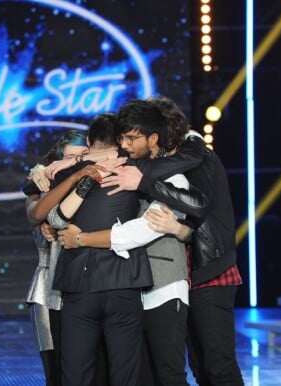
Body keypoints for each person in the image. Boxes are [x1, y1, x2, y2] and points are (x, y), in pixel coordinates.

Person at [56, 98, 207, 386]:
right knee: (140, 375)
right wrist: (79, 162)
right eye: (121, 138)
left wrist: (82, 238)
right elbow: (57, 214)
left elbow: (141, 230)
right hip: (131, 285)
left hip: (162, 286)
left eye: (131, 138)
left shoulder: (171, 176)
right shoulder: (120, 168)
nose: (124, 145)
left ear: (153, 138)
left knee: (169, 374)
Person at [100, 100, 245, 385]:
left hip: (210, 269)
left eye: (139, 136)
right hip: (182, 272)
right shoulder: (160, 163)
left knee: (217, 365)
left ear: (160, 133)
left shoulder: (199, 158)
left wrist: (145, 184)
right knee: (199, 365)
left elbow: (198, 206)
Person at [22, 131, 89, 386]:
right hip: (48, 284)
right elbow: (33, 214)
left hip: (85, 283)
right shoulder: (39, 188)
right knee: (56, 372)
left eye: (82, 156)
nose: (77, 162)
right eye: (70, 157)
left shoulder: (92, 185)